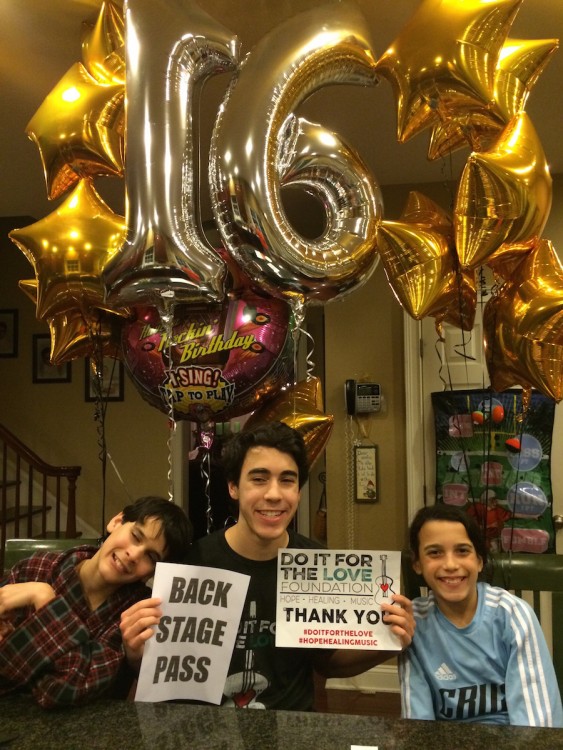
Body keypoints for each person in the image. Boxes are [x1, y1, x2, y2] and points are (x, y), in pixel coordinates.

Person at [120, 422, 415, 710]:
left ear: (298, 492)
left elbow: (327, 663)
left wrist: (387, 641)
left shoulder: (318, 565)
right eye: (259, 479)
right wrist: (136, 654)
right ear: (233, 487)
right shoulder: (191, 563)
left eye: (287, 480)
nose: (274, 494)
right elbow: (159, 666)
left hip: (289, 731)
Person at [0, 495, 192, 709]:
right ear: (117, 522)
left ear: (151, 573)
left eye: (151, 557)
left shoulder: (134, 616)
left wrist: (44, 599)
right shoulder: (34, 569)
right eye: (136, 536)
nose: (133, 554)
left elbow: (61, 690)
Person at [399, 503, 563, 726]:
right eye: (435, 552)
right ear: (417, 563)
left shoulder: (513, 616)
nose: (450, 564)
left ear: (479, 560)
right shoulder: (413, 624)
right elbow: (417, 725)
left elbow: (537, 725)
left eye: (462, 551)